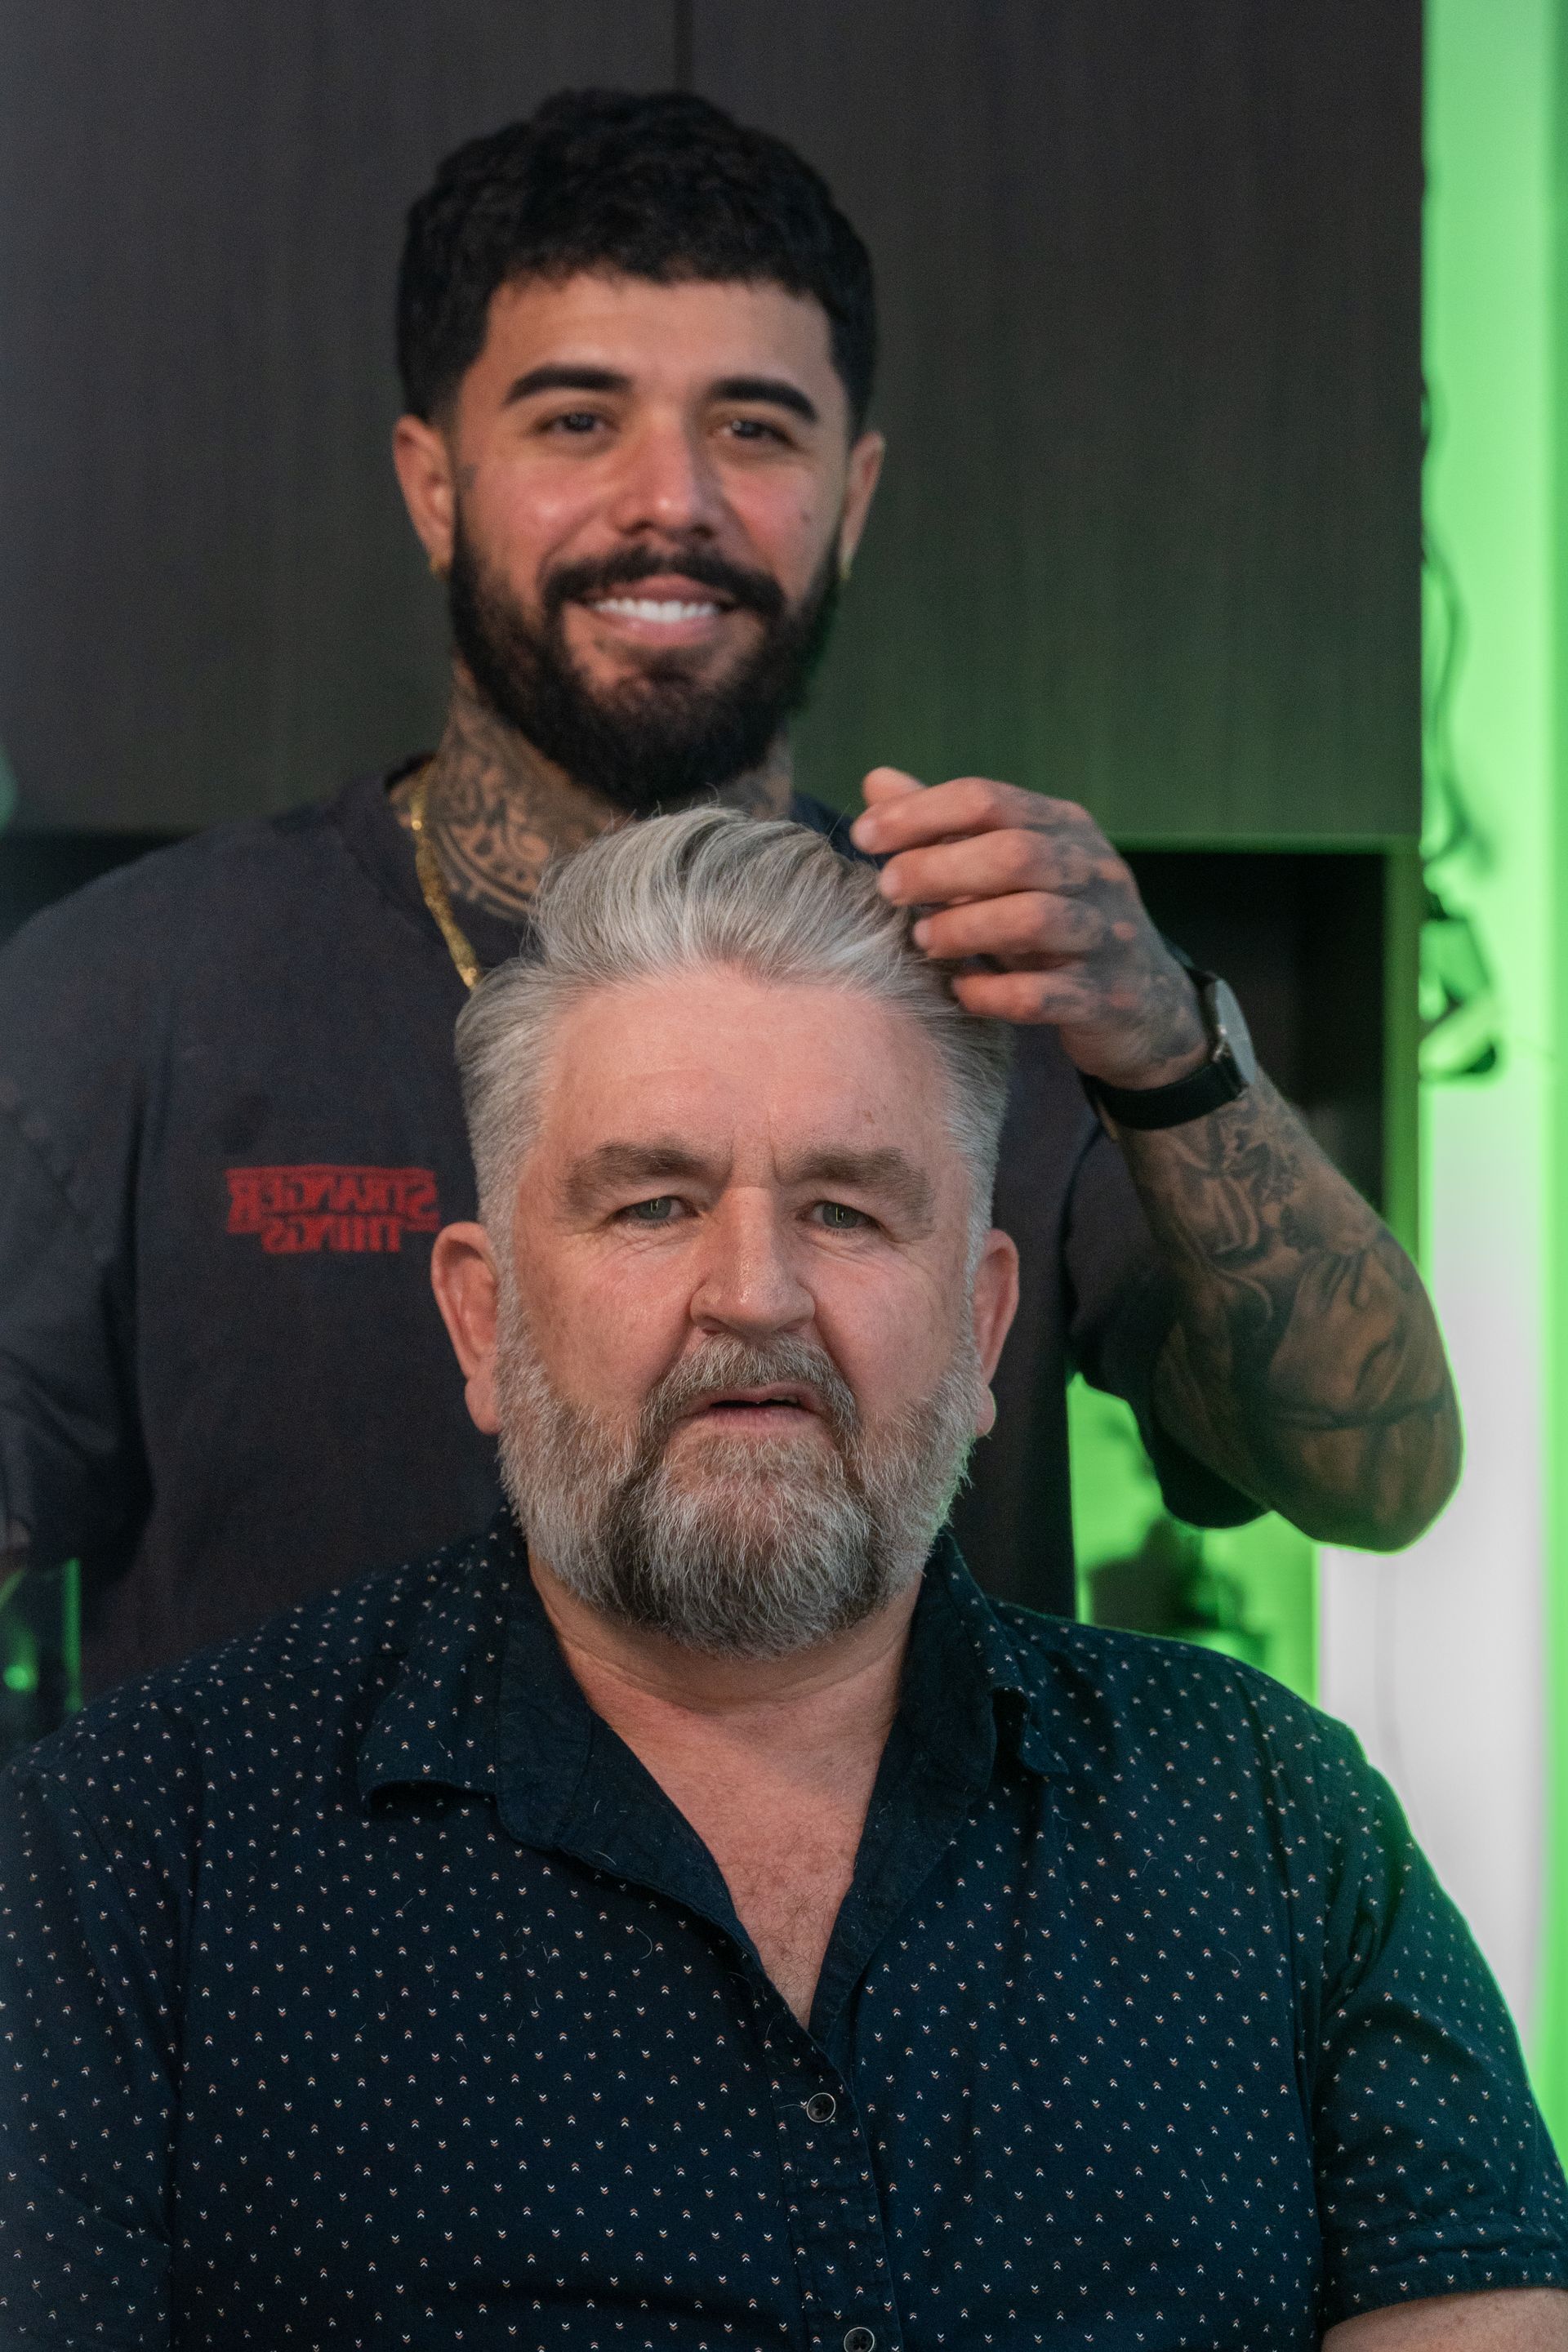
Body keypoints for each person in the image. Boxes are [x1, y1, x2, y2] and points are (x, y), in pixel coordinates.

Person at [0, 810, 1556, 2350]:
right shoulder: (133, 1867)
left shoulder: (1275, 1824)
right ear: (484, 1324)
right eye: (653, 1204)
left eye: (846, 1209)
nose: (755, 1293)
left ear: (985, 1324)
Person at [0, 89, 1459, 1701]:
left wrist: (1172, 1047)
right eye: (576, 420)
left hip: (900, 1956)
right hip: (278, 1955)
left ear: (856, 491)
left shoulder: (1007, 982)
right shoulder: (122, 1001)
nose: (673, 499)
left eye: (756, 428)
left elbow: (1374, 1477)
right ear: (434, 485)